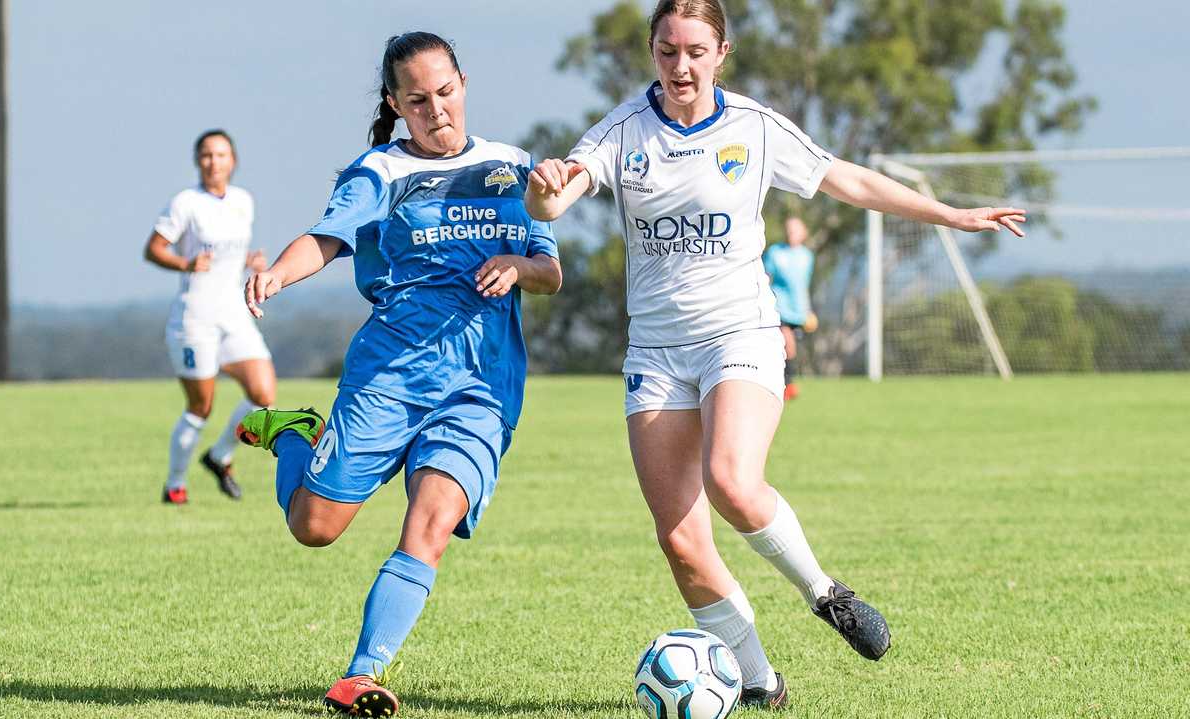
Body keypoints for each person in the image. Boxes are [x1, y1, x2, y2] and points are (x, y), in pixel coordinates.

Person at [525, 0, 1025, 709]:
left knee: (731, 479)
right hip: (657, 354)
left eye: (696, 51)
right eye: (667, 51)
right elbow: (557, 198)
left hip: (742, 333)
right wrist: (543, 195)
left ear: (721, 53)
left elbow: (845, 178)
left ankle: (826, 593)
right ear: (651, 51)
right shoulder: (621, 133)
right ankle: (760, 683)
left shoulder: (753, 128)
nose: (681, 66)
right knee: (682, 541)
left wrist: (949, 214)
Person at [234, 32, 561, 716]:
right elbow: (327, 237)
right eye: (418, 100)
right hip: (390, 377)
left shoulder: (512, 168)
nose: (436, 110)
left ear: (463, 84)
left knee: (433, 519)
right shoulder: (378, 172)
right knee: (315, 526)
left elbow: (550, 269)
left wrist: (519, 268)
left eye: (445, 93)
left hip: (481, 385)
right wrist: (276, 275)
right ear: (396, 103)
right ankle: (294, 433)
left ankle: (361, 673)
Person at [144, 129, 277, 505]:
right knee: (201, 406)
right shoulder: (185, 203)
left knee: (263, 393)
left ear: (233, 161)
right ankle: (175, 485)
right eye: (206, 155)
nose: (213, 162)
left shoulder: (243, 201)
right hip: (194, 318)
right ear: (197, 161)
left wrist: (250, 260)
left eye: (220, 155)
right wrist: (185, 262)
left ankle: (220, 456)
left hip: (233, 314)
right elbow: (153, 249)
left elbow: (230, 252)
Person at [763, 216, 816, 400]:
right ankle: (788, 385)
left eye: (795, 230)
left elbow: (803, 285)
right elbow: (765, 278)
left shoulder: (807, 256)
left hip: (798, 311)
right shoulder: (775, 253)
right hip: (779, 307)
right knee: (788, 342)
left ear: (803, 233)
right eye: (789, 229)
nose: (791, 233)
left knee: (789, 349)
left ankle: (781, 382)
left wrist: (808, 309)